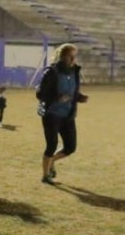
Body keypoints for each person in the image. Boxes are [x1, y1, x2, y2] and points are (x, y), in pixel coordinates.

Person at [36, 43, 88, 185]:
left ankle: (52, 161)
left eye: (75, 56)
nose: (73, 59)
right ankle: (45, 176)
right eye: (70, 56)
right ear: (62, 56)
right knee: (51, 145)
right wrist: (56, 97)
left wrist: (80, 97)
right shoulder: (51, 72)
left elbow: (72, 92)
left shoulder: (75, 72)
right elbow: (40, 94)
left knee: (71, 147)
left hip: (68, 114)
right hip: (51, 114)